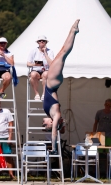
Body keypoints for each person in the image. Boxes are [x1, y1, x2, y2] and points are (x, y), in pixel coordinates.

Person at [43, 20, 80, 154]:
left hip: (51, 82)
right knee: (63, 52)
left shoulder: (49, 114)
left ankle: (73, 32)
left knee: (59, 55)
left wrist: (45, 54)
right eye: (45, 125)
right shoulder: (56, 115)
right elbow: (54, 134)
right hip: (53, 84)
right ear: (53, 125)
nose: (43, 123)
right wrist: (53, 148)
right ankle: (73, 32)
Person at [27, 35, 54, 100]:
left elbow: (52, 64)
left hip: (46, 71)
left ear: (46, 42)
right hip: (36, 71)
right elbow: (28, 63)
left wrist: (45, 53)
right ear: (38, 42)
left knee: (46, 74)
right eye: (40, 41)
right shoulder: (33, 51)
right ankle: (36, 94)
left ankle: (44, 94)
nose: (41, 42)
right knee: (33, 75)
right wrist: (35, 64)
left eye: (43, 41)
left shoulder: (50, 51)